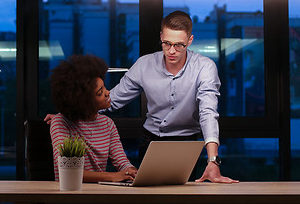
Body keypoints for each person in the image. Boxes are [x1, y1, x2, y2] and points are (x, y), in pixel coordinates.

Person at [46, 11, 238, 184]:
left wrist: (213, 160)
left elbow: (208, 113)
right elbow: (112, 100)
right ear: (161, 37)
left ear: (190, 40)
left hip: (185, 143)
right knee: (147, 196)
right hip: (151, 141)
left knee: (182, 197)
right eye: (167, 43)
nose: (172, 51)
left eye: (179, 45)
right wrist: (69, 114)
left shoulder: (205, 67)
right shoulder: (144, 64)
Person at [49, 54, 138, 183]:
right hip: (70, 193)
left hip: (97, 194)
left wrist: (132, 171)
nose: (108, 93)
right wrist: (111, 176)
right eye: (100, 92)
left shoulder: (107, 124)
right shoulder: (61, 123)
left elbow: (121, 161)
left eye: (104, 87)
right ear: (83, 100)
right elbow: (67, 170)